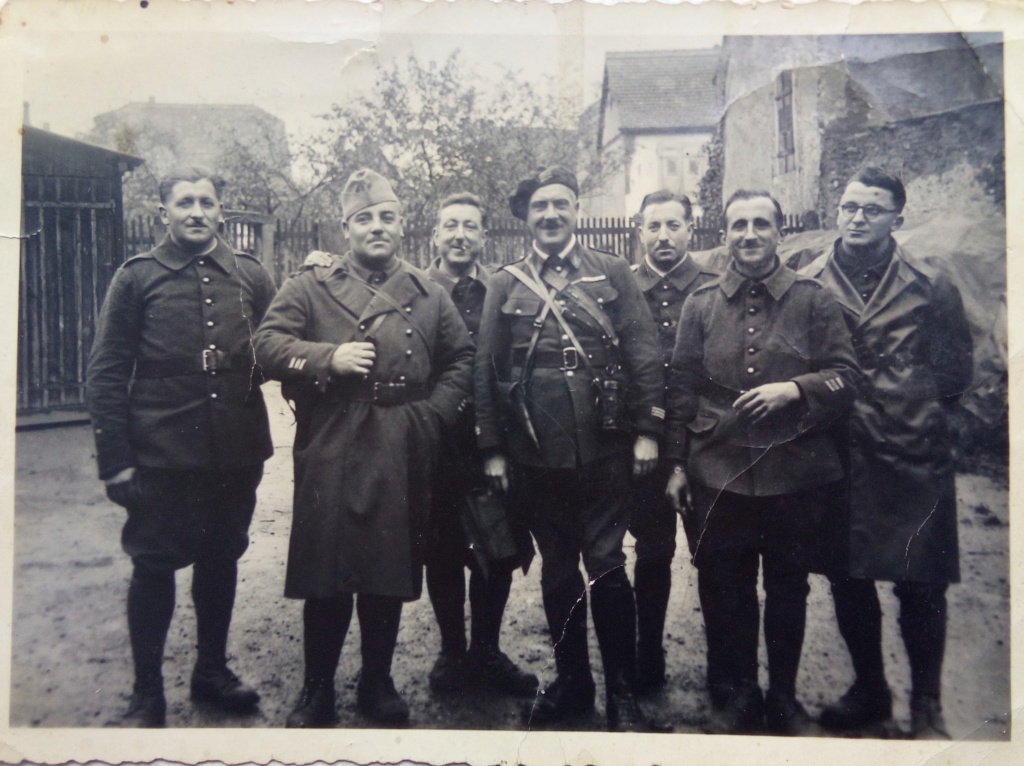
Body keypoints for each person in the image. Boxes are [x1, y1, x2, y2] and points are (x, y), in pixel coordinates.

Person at [253, 169, 474, 728]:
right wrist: (330, 357)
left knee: (387, 569)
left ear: (402, 224)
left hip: (403, 440)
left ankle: (377, 682)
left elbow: (462, 359)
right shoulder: (309, 286)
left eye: (387, 217)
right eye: (364, 219)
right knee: (326, 571)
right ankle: (315, 689)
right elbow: (267, 344)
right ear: (345, 228)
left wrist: (432, 416)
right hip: (332, 437)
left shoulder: (429, 294)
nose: (377, 227)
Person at [474, 166, 665, 731]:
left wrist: (649, 430)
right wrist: (492, 450)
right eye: (539, 208)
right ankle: (575, 684)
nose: (551, 215)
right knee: (558, 571)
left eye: (560, 204)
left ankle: (622, 694)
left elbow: (645, 353)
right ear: (526, 218)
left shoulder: (611, 274)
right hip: (535, 455)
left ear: (576, 210)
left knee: (607, 565)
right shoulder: (506, 284)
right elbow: (486, 373)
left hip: (607, 450)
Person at [86, 167, 276, 728]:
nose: (196, 211)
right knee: (153, 564)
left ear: (222, 211)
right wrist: (115, 459)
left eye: (206, 202)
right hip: (161, 452)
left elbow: (276, 343)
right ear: (163, 211)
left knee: (221, 558)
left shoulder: (250, 274)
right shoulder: (136, 278)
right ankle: (147, 693)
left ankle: (211, 672)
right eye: (184, 202)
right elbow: (106, 371)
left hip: (236, 450)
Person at [664, 190, 859, 735]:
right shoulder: (700, 304)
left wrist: (796, 389)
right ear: (724, 234)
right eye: (738, 225)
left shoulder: (813, 299)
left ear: (779, 232)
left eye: (761, 224)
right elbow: (680, 388)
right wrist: (677, 465)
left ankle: (784, 698)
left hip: (795, 472)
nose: (749, 234)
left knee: (788, 585)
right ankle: (741, 691)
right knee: (725, 583)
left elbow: (848, 376)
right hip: (716, 468)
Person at [792, 167, 973, 739]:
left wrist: (923, 420)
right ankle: (870, 689)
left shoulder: (930, 281)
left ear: (897, 217)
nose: (857, 218)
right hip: (838, 451)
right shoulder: (809, 280)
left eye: (872, 209)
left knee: (922, 581)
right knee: (848, 575)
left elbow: (954, 370)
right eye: (849, 206)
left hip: (911, 451)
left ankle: (927, 705)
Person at [422, 193, 538, 697]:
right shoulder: (417, 289)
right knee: (443, 550)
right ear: (435, 235)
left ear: (483, 236)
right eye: (451, 226)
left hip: (495, 440)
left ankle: (487, 649)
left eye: (470, 226)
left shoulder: (501, 287)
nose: (460, 235)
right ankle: (452, 652)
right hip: (437, 440)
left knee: (497, 545)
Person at [628, 190, 718, 695]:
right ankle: (649, 651)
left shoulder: (712, 286)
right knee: (652, 550)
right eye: (654, 226)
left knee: (712, 551)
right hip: (644, 443)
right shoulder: (624, 286)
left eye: (674, 226)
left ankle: (724, 661)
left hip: (702, 441)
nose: (664, 237)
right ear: (639, 230)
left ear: (691, 229)